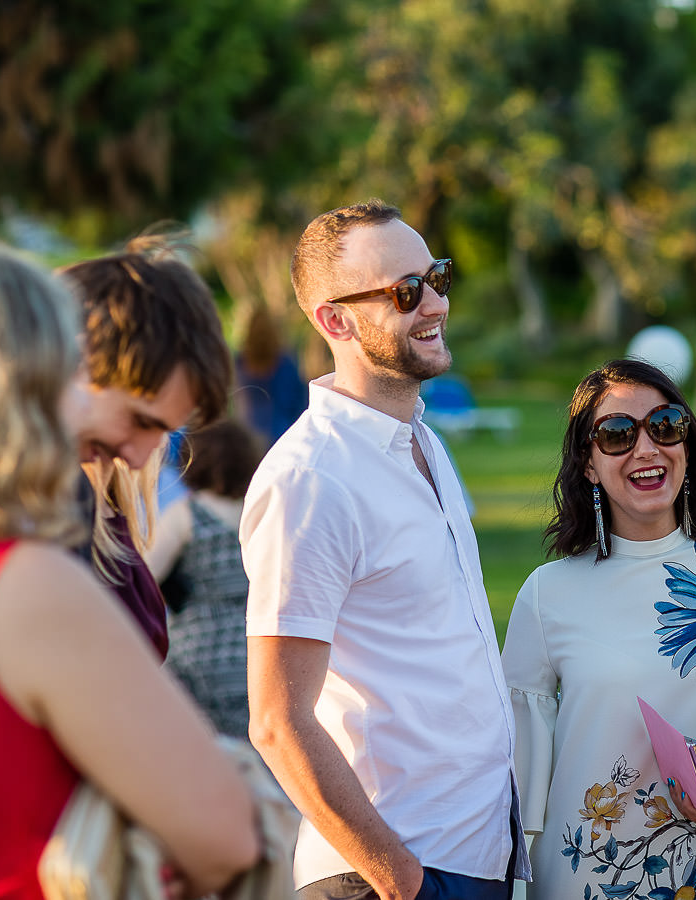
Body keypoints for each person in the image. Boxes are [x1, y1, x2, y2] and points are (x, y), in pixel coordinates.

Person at [242, 199, 528, 899]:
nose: (435, 303)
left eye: (437, 277)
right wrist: (399, 879)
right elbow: (277, 720)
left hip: (471, 855)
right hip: (389, 871)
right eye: (406, 291)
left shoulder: (423, 443)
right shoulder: (313, 479)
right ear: (334, 320)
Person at [0, 237, 259, 898]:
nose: (142, 451)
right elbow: (225, 839)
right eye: (139, 419)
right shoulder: (25, 574)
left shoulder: (66, 528)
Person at [502, 358, 696, 900]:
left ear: (687, 441)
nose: (646, 449)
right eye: (617, 435)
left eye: (665, 425)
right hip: (591, 877)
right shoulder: (546, 592)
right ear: (587, 463)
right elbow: (519, 771)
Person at [58, 236, 234, 659]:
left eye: (163, 434)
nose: (138, 456)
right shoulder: (14, 518)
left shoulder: (97, 506)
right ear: (75, 363)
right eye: (139, 421)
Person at [148, 418, 265, 739]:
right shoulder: (260, 514)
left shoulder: (186, 515)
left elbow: (145, 577)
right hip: (255, 653)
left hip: (196, 653)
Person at [236, 302, 309, 446]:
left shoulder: (239, 362)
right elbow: (297, 401)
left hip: (248, 433)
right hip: (282, 433)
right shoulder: (285, 362)